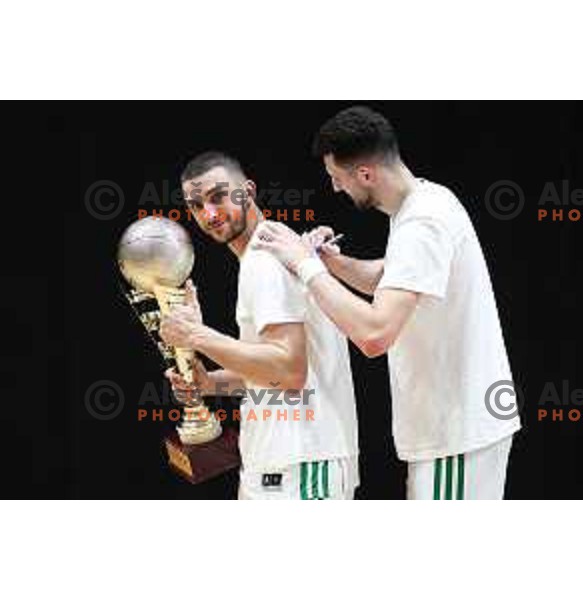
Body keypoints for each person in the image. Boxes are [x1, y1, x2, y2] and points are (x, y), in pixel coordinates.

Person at [254, 106, 521, 500]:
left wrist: (307, 266)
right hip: (456, 429)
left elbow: (375, 334)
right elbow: (393, 277)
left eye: (337, 178)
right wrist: (332, 262)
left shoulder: (422, 223)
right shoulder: (426, 201)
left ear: (365, 174)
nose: (335, 189)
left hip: (458, 431)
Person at [159, 151, 359, 500]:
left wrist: (196, 335)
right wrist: (210, 383)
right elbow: (276, 369)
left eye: (218, 196)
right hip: (283, 462)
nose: (209, 214)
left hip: (299, 463)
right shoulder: (272, 248)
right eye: (195, 206)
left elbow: (289, 370)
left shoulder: (264, 259)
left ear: (248, 190)